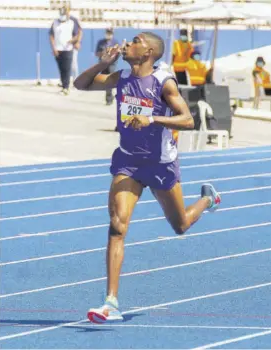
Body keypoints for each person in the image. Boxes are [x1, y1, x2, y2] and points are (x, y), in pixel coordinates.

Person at [74, 32, 221, 323]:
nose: (127, 43)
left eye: (135, 41)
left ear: (148, 52)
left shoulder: (163, 82)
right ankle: (111, 303)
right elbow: (81, 84)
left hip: (159, 163)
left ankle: (208, 199)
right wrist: (103, 64)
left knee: (180, 225)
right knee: (117, 225)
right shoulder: (122, 77)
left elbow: (188, 120)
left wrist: (152, 118)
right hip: (128, 160)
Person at [49, 6, 80, 95]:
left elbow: (76, 35)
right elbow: (51, 35)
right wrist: (54, 48)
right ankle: (64, 86)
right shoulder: (55, 23)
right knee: (61, 69)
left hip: (68, 49)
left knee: (67, 69)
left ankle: (66, 87)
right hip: (58, 49)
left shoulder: (71, 23)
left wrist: (73, 41)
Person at [95, 28, 119, 105]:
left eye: (110, 33)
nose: (108, 35)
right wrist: (102, 53)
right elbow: (97, 53)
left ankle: (109, 99)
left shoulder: (115, 43)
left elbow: (118, 54)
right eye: (107, 33)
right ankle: (109, 96)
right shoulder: (100, 42)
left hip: (111, 64)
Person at [70, 15, 83, 81]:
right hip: (63, 45)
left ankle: (76, 80)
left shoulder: (73, 19)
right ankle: (64, 81)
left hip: (72, 44)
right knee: (64, 64)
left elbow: (80, 31)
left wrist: (78, 42)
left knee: (73, 63)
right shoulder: (60, 20)